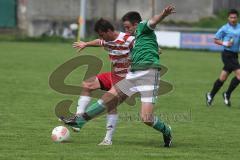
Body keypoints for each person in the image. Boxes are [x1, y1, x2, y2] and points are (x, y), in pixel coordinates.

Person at [61, 5, 175, 147]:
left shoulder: (143, 27)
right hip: (134, 74)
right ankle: (79, 121)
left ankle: (166, 130)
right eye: (125, 27)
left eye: (128, 27)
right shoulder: (136, 38)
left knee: (146, 118)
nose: (126, 30)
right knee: (108, 97)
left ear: (135, 24)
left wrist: (164, 14)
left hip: (149, 74)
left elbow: (153, 21)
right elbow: (104, 42)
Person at [72, 18, 134, 145]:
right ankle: (78, 117)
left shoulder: (129, 39)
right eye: (100, 35)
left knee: (111, 103)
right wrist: (86, 44)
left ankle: (108, 139)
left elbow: (145, 48)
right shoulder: (108, 39)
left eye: (102, 34)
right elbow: (99, 42)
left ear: (110, 31)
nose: (102, 38)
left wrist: (154, 50)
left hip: (128, 79)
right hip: (114, 75)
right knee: (87, 84)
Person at [206, 9, 240, 107]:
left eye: (235, 17)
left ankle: (210, 95)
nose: (233, 19)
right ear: (228, 18)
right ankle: (227, 94)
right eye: (231, 17)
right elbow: (215, 40)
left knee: (223, 78)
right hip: (227, 55)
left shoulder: (239, 27)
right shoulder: (224, 28)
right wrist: (225, 43)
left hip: (235, 55)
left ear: (237, 18)